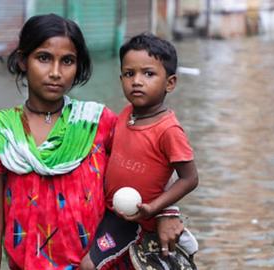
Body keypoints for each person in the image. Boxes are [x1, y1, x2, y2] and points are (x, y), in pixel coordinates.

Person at [0, 14, 117, 269]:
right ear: (22, 61)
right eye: (44, 58)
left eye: (67, 61)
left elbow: (140, 174)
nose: (56, 72)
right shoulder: (0, 137)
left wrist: (166, 213)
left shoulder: (97, 123)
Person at [80, 33, 199, 269]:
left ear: (170, 83)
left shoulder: (169, 130)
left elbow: (189, 178)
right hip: (110, 211)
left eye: (149, 74)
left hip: (133, 219)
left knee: (88, 265)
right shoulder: (125, 114)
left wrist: (155, 209)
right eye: (129, 73)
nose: (136, 80)